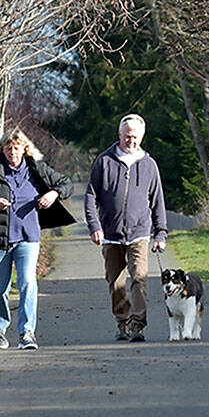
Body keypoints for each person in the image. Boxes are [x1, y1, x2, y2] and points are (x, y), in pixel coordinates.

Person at [0, 128, 74, 350]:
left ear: (25, 149)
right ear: (2, 151)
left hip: (28, 237)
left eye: (16, 148)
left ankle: (27, 333)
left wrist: (53, 194)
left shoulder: (37, 169)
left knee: (28, 283)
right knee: (0, 288)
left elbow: (66, 184)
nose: (12, 153)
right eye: (8, 149)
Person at [84, 113, 168, 342]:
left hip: (139, 232)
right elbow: (91, 196)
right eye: (127, 136)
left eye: (136, 137)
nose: (131, 141)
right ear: (120, 135)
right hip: (110, 234)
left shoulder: (149, 165)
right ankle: (122, 321)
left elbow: (157, 200)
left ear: (142, 137)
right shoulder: (104, 161)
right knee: (116, 281)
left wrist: (160, 233)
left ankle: (137, 324)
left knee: (139, 277)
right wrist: (94, 226)